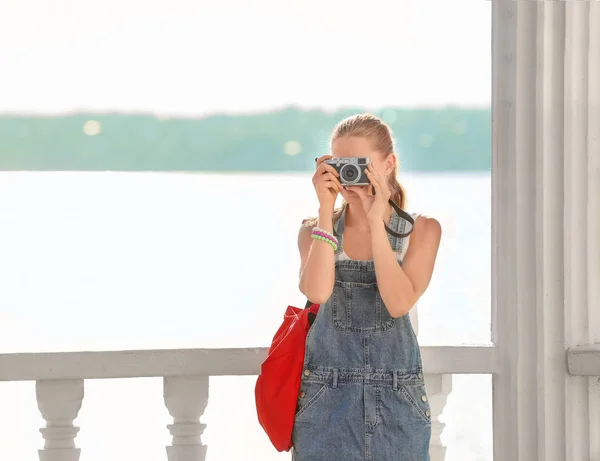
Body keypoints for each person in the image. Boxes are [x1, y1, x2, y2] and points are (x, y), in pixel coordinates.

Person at [293, 113, 442, 461]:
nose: (350, 176)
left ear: (388, 164)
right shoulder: (313, 231)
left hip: (397, 400)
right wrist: (326, 209)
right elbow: (316, 293)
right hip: (323, 399)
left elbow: (398, 303)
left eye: (360, 164)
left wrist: (377, 221)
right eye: (341, 164)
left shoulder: (421, 230)